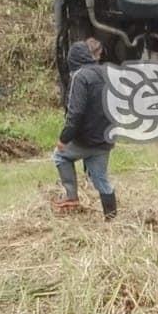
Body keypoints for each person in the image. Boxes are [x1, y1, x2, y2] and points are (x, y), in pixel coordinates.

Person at [52, 38, 117, 219]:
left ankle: (71, 197)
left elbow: (76, 113)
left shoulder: (80, 77)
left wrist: (64, 139)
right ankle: (111, 219)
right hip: (105, 138)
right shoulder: (106, 72)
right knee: (101, 180)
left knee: (59, 156)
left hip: (86, 139)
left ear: (73, 59)